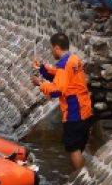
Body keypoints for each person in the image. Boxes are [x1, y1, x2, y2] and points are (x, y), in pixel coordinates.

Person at [31, 33, 93, 170]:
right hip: (85, 109)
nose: (51, 51)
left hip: (74, 112)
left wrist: (40, 83)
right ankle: (83, 172)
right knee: (79, 146)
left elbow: (57, 90)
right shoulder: (74, 59)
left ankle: (80, 178)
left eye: (52, 48)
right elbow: (60, 76)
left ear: (57, 48)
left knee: (73, 148)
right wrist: (42, 68)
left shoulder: (64, 64)